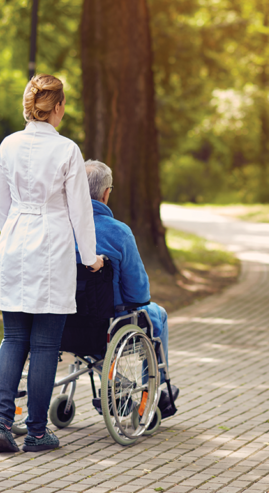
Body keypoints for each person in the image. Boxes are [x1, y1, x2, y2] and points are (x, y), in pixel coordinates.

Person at [0, 74, 104, 453]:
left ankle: (1, 423)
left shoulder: (8, 145)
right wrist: (91, 258)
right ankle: (37, 432)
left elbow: (0, 205)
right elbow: (80, 212)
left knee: (13, 338)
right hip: (51, 248)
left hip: (14, 243)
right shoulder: (67, 150)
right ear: (57, 108)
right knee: (43, 345)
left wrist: (16, 235)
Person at [82, 160, 178, 412]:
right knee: (158, 314)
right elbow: (139, 294)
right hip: (110, 322)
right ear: (106, 193)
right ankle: (157, 387)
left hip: (66, 321)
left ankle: (116, 384)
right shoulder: (119, 233)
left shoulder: (60, 227)